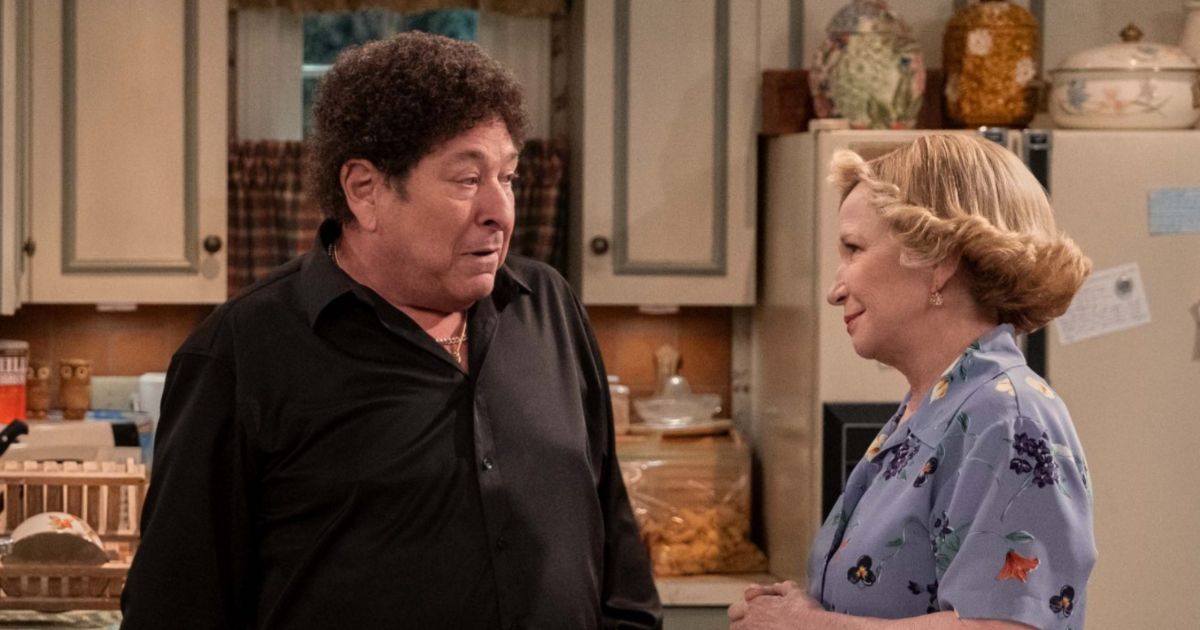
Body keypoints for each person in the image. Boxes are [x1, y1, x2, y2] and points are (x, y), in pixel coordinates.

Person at [121, 32, 661, 629]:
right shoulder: (240, 353)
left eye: (507, 177)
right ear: (365, 191)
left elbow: (619, 564)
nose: (500, 211)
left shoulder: (550, 308)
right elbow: (173, 609)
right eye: (467, 179)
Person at [730, 135, 1095, 629]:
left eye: (854, 249)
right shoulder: (935, 410)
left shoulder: (1009, 418)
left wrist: (807, 626)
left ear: (937, 259)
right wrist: (800, 612)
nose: (835, 289)